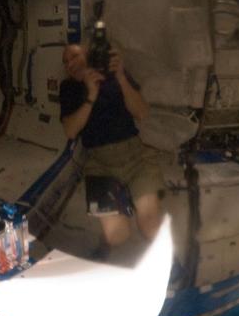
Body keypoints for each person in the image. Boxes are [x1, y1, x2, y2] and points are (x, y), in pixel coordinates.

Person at [59, 43, 164, 249]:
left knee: (150, 224)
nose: (69, 64)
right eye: (65, 62)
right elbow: (70, 131)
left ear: (88, 55)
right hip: (99, 164)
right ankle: (122, 200)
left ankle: (170, 261)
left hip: (136, 156)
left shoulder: (115, 76)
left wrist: (122, 78)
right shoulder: (68, 88)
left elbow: (141, 112)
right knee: (117, 235)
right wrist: (90, 96)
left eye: (74, 56)